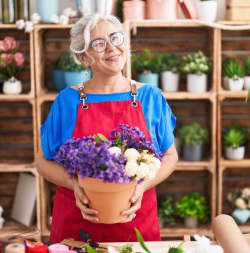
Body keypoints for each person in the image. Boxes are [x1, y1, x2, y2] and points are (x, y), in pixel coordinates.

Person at [37, 14, 178, 243]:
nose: (112, 48)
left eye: (116, 38)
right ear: (83, 58)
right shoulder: (68, 101)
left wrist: (143, 186)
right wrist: (75, 185)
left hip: (136, 226)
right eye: (100, 43)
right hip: (76, 227)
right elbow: (42, 161)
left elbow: (171, 156)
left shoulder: (150, 97)